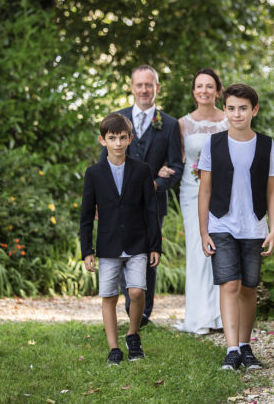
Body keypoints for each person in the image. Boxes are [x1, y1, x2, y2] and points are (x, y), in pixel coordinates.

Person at [197, 83, 274, 370]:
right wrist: (204, 230)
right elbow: (204, 190)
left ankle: (245, 346)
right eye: (231, 108)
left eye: (243, 108)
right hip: (221, 223)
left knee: (248, 287)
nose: (236, 114)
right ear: (226, 111)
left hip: (254, 225)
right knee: (229, 283)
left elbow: (271, 190)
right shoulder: (213, 144)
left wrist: (273, 228)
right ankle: (231, 349)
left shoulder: (266, 144)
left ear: (254, 110)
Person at [103, 65, 184, 327]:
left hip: (153, 203)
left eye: (149, 85)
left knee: (148, 253)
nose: (144, 90)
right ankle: (129, 307)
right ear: (132, 87)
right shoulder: (117, 119)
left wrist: (155, 184)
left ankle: (144, 313)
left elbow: (176, 167)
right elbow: (103, 162)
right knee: (122, 250)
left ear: (157, 88)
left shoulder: (169, 124)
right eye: (139, 85)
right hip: (118, 204)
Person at [81, 113, 162, 364]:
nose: (117, 143)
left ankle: (133, 334)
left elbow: (151, 210)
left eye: (122, 138)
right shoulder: (93, 173)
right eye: (112, 138)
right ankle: (114, 348)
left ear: (130, 139)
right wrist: (87, 250)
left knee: (137, 292)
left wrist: (154, 245)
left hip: (137, 243)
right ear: (102, 140)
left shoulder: (142, 170)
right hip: (108, 246)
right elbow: (85, 215)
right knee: (109, 296)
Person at [172, 68, 228, 335]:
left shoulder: (229, 120)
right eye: (199, 86)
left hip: (223, 191)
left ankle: (220, 315)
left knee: (221, 247)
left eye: (209, 86)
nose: (204, 90)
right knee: (197, 250)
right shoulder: (183, 123)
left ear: (218, 91)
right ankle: (198, 316)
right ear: (193, 91)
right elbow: (178, 158)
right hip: (192, 190)